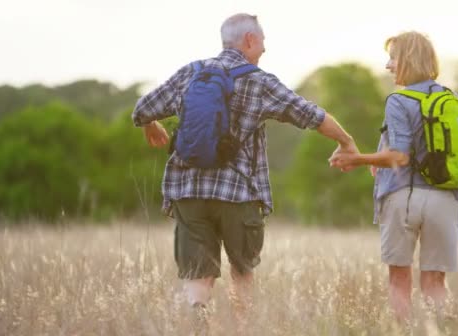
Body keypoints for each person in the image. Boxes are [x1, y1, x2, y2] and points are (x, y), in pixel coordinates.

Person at [132, 13, 357, 312]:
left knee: (197, 273)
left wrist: (151, 125)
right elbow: (312, 115)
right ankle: (243, 331)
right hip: (238, 193)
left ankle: (197, 320)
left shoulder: (191, 72)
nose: (264, 49)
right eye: (262, 42)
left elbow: (142, 109)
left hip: (188, 190)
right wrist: (346, 141)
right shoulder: (259, 81)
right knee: (242, 272)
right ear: (250, 40)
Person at [329, 31, 458, 322]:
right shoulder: (449, 97)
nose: (388, 66)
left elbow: (400, 155)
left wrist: (357, 158)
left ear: (407, 60)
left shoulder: (398, 100)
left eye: (392, 58)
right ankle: (441, 335)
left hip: (404, 197)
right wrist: (379, 159)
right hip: (445, 197)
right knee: (436, 283)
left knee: (399, 281)